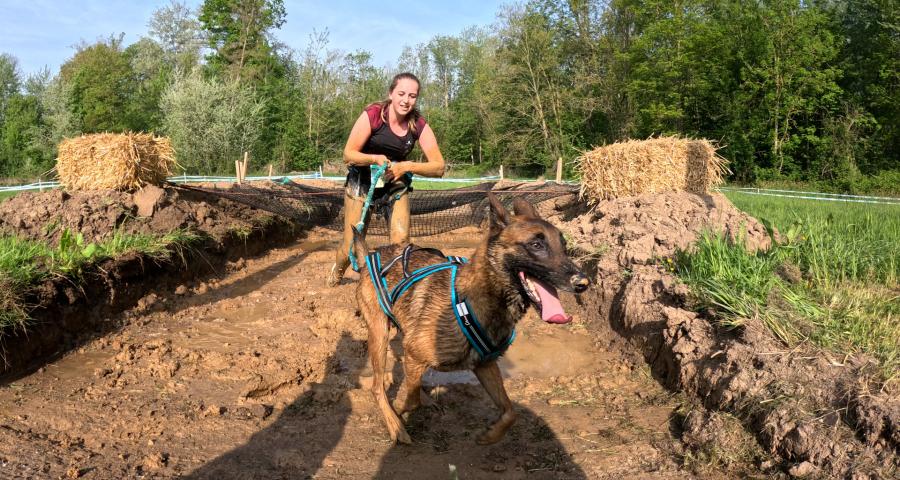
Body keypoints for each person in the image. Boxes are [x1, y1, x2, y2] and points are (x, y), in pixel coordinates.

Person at [326, 72, 446, 287]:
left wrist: (408, 166)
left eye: (412, 95)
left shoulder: (418, 124)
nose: (406, 100)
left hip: (396, 182)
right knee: (352, 245)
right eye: (401, 93)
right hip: (362, 182)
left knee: (401, 243)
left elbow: (439, 167)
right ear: (391, 93)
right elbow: (348, 154)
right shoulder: (373, 115)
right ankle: (335, 277)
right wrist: (374, 158)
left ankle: (392, 290)